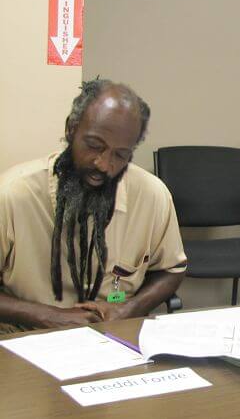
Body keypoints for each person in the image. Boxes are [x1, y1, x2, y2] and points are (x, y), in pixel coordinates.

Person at [0, 79, 187, 333]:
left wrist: (128, 309)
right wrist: (48, 316)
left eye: (120, 154)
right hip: (26, 336)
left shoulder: (152, 196)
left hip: (113, 335)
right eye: (94, 146)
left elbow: (171, 270)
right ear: (71, 129)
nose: (104, 165)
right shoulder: (12, 195)